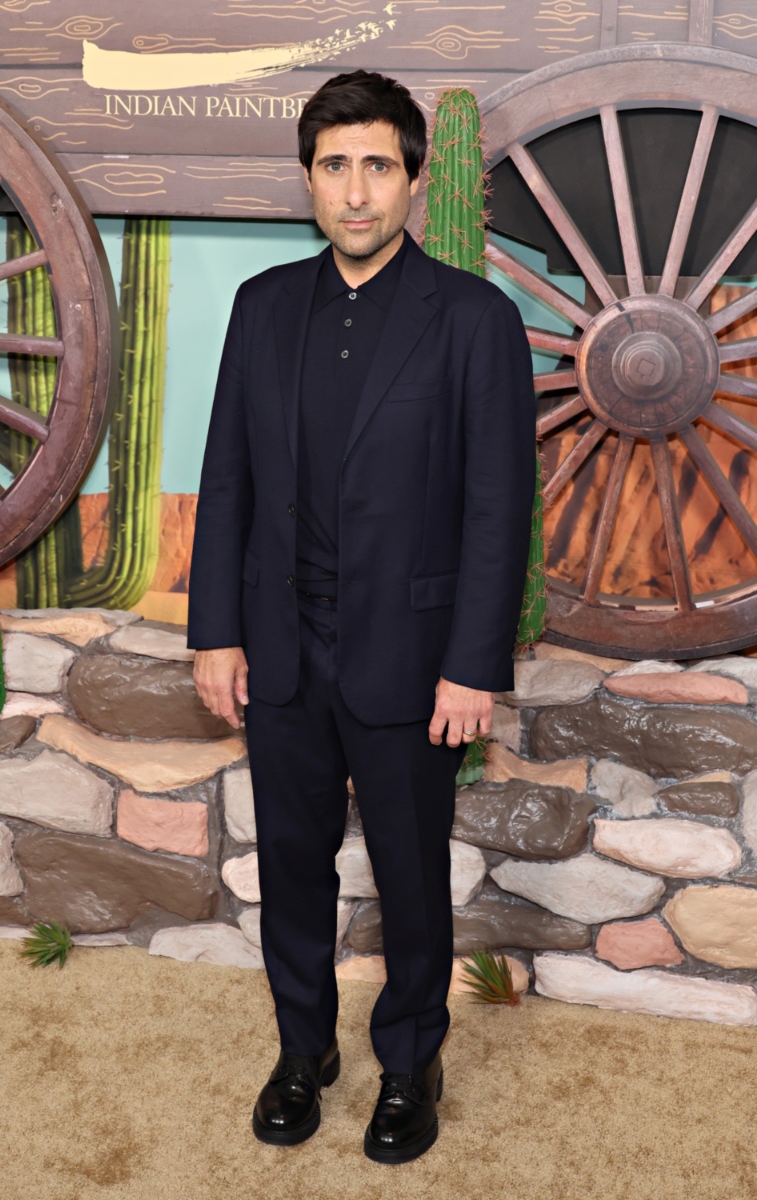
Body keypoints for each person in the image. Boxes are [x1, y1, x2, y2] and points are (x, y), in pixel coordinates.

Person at [187, 68, 535, 1164]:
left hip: (412, 655)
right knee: (292, 861)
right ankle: (302, 1051)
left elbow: (496, 508)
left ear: (414, 180)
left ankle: (407, 1062)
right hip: (279, 647)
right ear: (308, 179)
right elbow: (228, 480)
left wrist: (471, 667)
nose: (353, 190)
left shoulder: (474, 321)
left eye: (375, 166)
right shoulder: (261, 307)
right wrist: (214, 632)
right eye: (333, 166)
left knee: (408, 871)